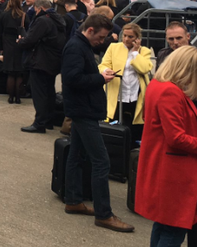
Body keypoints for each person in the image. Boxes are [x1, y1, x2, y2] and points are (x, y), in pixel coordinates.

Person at [135, 46, 197, 246]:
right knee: (174, 229)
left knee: (163, 225)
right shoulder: (170, 92)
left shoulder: (158, 85)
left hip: (164, 166)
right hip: (173, 172)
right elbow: (176, 137)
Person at [61, 14, 135, 232]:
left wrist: (99, 75)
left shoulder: (80, 45)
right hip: (83, 110)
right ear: (90, 30)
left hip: (83, 109)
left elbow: (77, 76)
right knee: (101, 162)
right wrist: (100, 79)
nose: (102, 42)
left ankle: (73, 200)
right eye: (100, 37)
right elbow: (72, 80)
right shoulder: (76, 47)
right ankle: (104, 214)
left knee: (76, 155)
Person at [155, 22, 197, 122]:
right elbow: (157, 83)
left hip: (193, 109)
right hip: (168, 111)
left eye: (179, 38)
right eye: (171, 39)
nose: (175, 42)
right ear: (166, 39)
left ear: (188, 36)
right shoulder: (163, 54)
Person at [98, 23, 153, 144]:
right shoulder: (113, 47)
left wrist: (135, 53)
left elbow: (144, 68)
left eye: (131, 37)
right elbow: (103, 64)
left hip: (135, 94)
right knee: (114, 124)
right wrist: (106, 70)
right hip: (117, 92)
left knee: (133, 126)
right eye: (125, 36)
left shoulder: (145, 51)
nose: (126, 39)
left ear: (138, 39)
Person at [18, 0, 66, 132]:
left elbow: (30, 39)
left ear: (39, 8)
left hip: (41, 60)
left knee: (39, 93)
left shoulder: (42, 20)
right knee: (49, 92)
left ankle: (40, 123)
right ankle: (48, 120)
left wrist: (21, 42)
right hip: (53, 60)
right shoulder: (58, 19)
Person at [0, 0, 29, 104]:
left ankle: (10, 97)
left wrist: (0, 47)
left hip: (7, 44)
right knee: (19, 73)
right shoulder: (23, 15)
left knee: (10, 73)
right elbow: (28, 30)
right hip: (19, 44)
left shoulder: (4, 14)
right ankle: (18, 97)